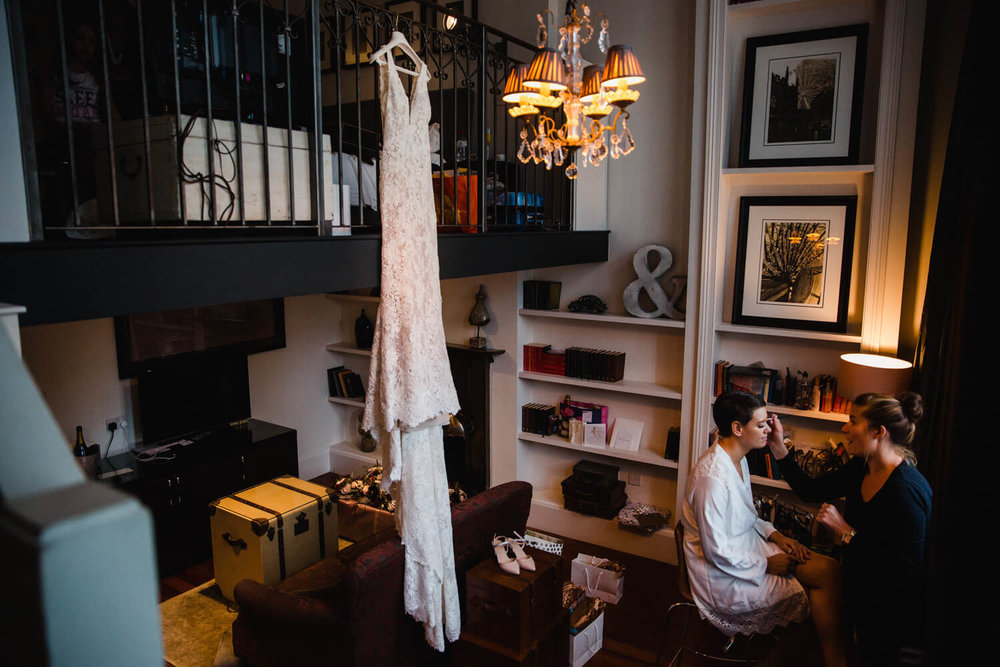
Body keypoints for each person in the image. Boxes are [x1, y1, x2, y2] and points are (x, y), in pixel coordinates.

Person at [682, 391, 846, 667]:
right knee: (816, 590)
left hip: (748, 547)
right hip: (724, 570)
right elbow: (715, 551)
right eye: (761, 425)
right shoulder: (711, 479)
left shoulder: (739, 459)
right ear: (736, 428)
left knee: (830, 569)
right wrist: (765, 565)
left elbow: (746, 516)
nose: (769, 430)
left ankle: (828, 657)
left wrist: (777, 535)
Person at [767, 392, 932, 666]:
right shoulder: (861, 467)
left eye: (853, 420)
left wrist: (847, 533)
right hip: (862, 593)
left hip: (893, 613)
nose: (844, 428)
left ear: (879, 431)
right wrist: (778, 448)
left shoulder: (906, 491)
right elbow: (811, 490)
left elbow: (906, 573)